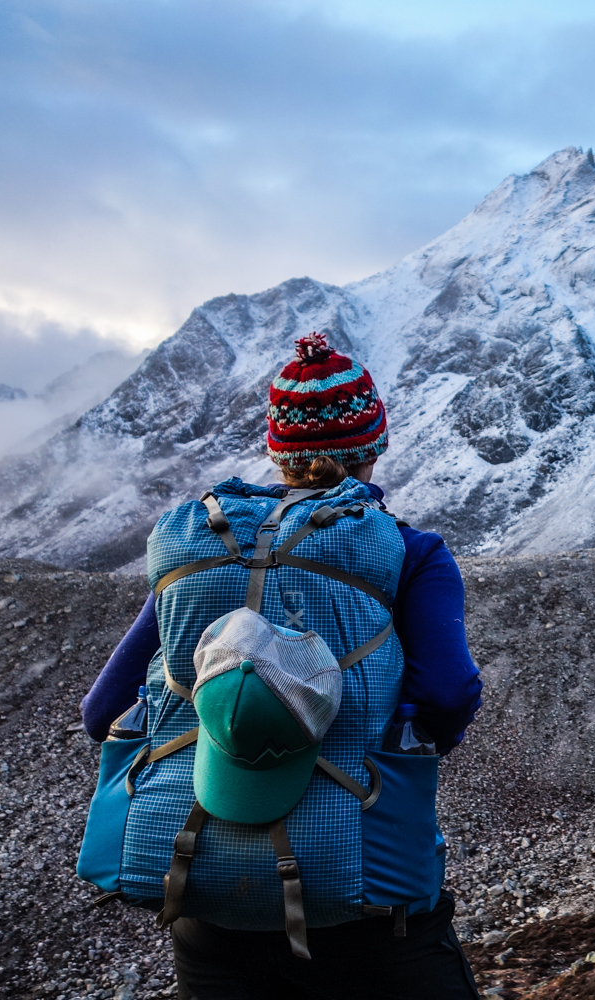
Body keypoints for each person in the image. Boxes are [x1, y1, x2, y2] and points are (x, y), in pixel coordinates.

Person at [80, 331, 484, 1000]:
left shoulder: (203, 550)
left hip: (206, 901)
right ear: (375, 445)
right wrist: (399, 736)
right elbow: (447, 689)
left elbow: (103, 713)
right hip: (365, 895)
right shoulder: (409, 552)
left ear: (278, 451)